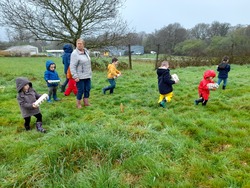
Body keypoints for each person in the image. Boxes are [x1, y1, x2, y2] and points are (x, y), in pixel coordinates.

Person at [70, 39, 92, 108]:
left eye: (80, 43)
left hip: (87, 75)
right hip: (80, 76)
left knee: (87, 89)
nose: (79, 45)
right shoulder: (74, 54)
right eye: (78, 43)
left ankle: (86, 102)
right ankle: (78, 104)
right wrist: (75, 76)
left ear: (83, 44)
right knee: (80, 90)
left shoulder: (86, 52)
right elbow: (72, 66)